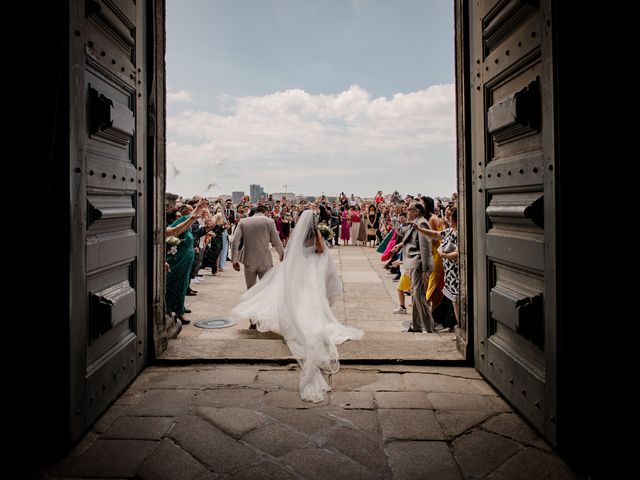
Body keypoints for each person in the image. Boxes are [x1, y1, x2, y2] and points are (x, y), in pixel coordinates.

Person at [230, 210, 364, 402]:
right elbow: (306, 247)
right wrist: (286, 253)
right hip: (291, 265)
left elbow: (238, 242)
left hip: (267, 263)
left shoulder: (248, 222)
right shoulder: (279, 224)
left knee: (262, 291)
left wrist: (237, 259)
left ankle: (255, 319)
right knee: (307, 297)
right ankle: (301, 318)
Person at [231, 204, 285, 293]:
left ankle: (249, 305)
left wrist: (234, 260)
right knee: (264, 289)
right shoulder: (269, 221)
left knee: (250, 289)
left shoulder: (243, 222)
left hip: (249, 259)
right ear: (266, 212)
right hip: (265, 259)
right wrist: (282, 255)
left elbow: (235, 242)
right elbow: (277, 241)